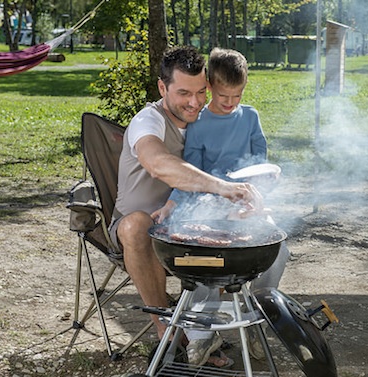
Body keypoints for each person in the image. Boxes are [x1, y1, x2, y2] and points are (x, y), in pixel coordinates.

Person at [109, 46, 263, 365]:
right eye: (183, 93)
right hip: (138, 231)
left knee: (242, 237)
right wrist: (221, 187)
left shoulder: (202, 121)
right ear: (162, 88)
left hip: (187, 229)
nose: (194, 102)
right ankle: (170, 335)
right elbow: (158, 163)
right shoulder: (148, 121)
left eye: (200, 92)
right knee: (137, 224)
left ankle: (202, 335)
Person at [160, 47, 290, 366]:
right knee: (206, 257)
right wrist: (172, 201)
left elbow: (260, 162)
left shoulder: (250, 117)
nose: (230, 103)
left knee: (278, 249)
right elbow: (191, 173)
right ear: (210, 88)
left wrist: (260, 191)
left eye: (237, 95)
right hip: (210, 202)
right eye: (222, 96)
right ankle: (202, 337)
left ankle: (255, 318)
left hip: (248, 201)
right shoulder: (200, 124)